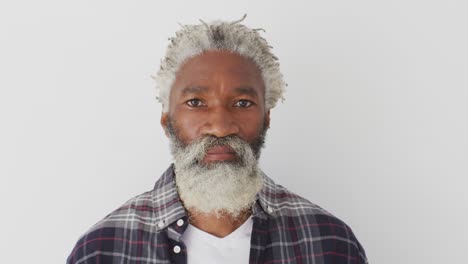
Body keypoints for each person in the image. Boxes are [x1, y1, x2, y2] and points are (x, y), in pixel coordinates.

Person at [67, 14, 368, 264]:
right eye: (196, 102)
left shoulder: (330, 244)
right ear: (166, 118)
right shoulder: (102, 250)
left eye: (242, 103)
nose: (221, 127)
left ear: (266, 117)